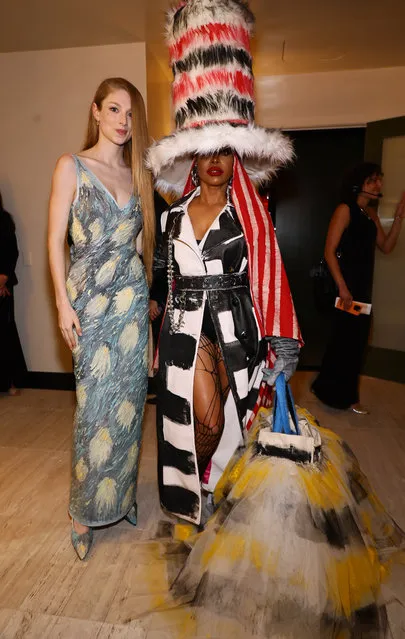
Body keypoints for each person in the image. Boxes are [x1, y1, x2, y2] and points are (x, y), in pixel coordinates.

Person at [147, 0, 301, 526]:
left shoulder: (250, 219)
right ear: (194, 158)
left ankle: (221, 490)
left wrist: (279, 347)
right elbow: (164, 282)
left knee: (229, 422)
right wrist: (155, 334)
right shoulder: (174, 217)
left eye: (223, 151)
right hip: (184, 328)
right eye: (205, 151)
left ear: (234, 157)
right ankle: (195, 492)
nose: (214, 161)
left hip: (237, 329)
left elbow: (269, 279)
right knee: (193, 417)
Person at [48, 77, 155, 559]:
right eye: (114, 110)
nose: (122, 122)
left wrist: (149, 320)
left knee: (130, 405)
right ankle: (82, 510)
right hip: (88, 304)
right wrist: (60, 303)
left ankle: (123, 497)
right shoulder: (71, 167)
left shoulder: (138, 177)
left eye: (130, 114)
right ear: (95, 111)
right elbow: (55, 241)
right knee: (93, 409)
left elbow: (137, 248)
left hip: (131, 303)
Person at [312, 163, 405, 414]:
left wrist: (398, 217)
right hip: (346, 288)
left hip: (362, 288)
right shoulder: (345, 210)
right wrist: (343, 287)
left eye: (379, 180)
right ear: (359, 183)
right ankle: (343, 397)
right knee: (347, 340)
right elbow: (329, 252)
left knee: (355, 340)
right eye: (372, 180)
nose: (378, 185)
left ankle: (329, 388)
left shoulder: (371, 215)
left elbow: (386, 246)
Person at [0, 193, 27, 394]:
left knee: (5, 331)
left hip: (3, 285)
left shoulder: (4, 220)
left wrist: (2, 278)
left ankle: (10, 382)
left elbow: (11, 251)